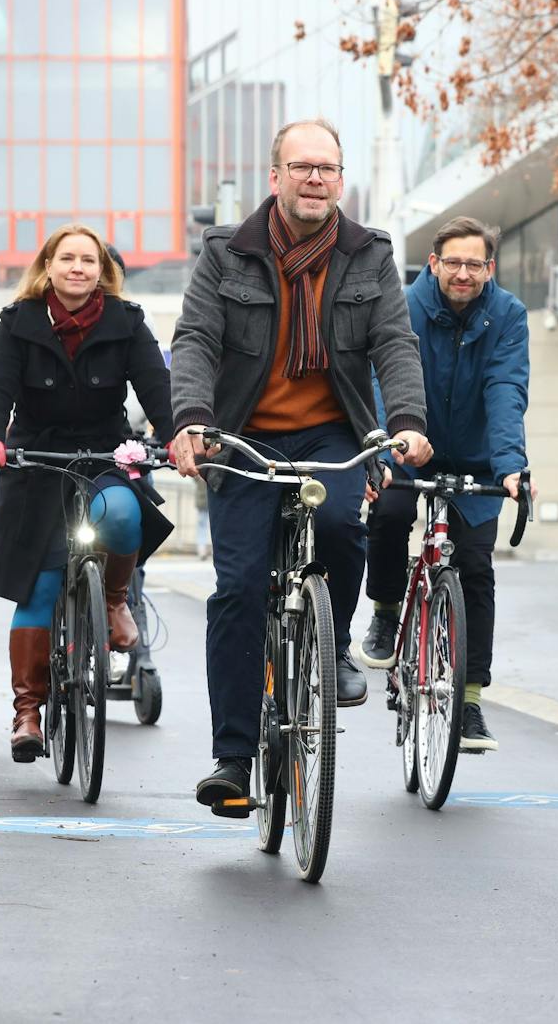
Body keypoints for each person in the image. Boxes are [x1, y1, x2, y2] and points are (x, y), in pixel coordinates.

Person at [169, 118, 433, 811]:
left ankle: (331, 642)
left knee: (346, 528)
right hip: (245, 437)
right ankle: (233, 757)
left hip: (331, 435)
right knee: (238, 589)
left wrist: (405, 424)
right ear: (275, 176)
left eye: (327, 168)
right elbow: (195, 338)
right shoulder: (227, 253)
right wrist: (192, 419)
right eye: (302, 166)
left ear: (340, 181)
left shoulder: (368, 254)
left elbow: (394, 344)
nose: (316, 179)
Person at [0, 224, 175, 762]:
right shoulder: (19, 323)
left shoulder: (126, 322)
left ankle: (111, 602)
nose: (78, 267)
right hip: (36, 458)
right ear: (49, 266)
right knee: (38, 587)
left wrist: (177, 436)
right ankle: (28, 713)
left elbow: (156, 384)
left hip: (105, 452)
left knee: (124, 514)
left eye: (89, 259)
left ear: (102, 270)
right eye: (68, 259)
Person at [353, 217, 531, 752]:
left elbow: (506, 388)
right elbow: (383, 378)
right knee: (386, 515)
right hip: (407, 443)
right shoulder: (403, 304)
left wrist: (510, 465)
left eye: (474, 264)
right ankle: (385, 613)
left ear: (489, 268)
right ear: (433, 263)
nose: (462, 273)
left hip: (477, 458)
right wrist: (387, 445)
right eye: (452, 262)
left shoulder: (508, 315)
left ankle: (470, 700)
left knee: (475, 567)